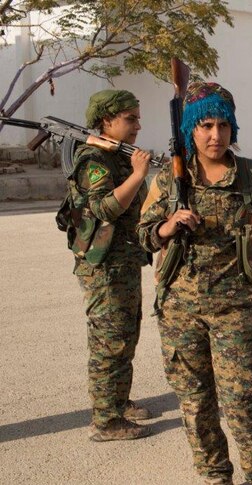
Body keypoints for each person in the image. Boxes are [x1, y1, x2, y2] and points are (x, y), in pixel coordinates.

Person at [138, 82, 252, 485]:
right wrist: (168, 225)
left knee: (242, 401)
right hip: (179, 312)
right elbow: (142, 236)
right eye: (205, 125)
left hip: (235, 311)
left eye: (223, 125)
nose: (215, 135)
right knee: (195, 404)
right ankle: (214, 475)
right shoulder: (171, 180)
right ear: (190, 128)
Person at [69, 89, 154, 441]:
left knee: (125, 335)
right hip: (103, 267)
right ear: (107, 121)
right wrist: (137, 175)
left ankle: (118, 400)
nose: (137, 125)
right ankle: (106, 421)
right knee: (109, 342)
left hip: (124, 261)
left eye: (137, 117)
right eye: (129, 119)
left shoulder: (119, 155)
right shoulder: (94, 159)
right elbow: (104, 208)